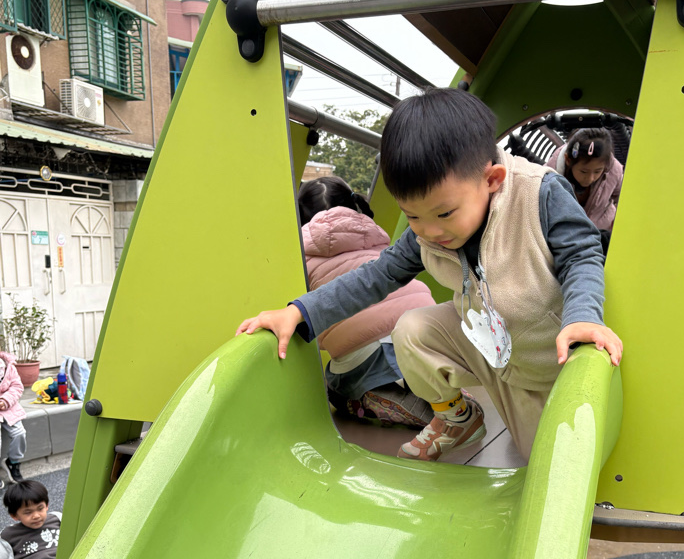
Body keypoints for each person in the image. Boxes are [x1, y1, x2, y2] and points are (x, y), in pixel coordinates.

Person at [237, 89, 622, 463]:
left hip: (547, 362)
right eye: (413, 215)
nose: (429, 231)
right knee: (412, 330)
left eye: (444, 214)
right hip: (494, 350)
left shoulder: (539, 194)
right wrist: (299, 312)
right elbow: (375, 276)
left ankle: (537, 416)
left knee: (548, 457)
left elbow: (582, 255)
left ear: (492, 179)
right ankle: (457, 418)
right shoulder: (428, 230)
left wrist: (583, 317)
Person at [298, 175, 435, 427]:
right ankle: (438, 395)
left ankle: (375, 394)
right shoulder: (375, 235)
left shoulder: (302, 252)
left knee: (335, 384)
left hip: (370, 352)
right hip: (428, 335)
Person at [546, 128, 623, 252]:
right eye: (584, 171)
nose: (590, 178)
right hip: (565, 242)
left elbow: (621, 197)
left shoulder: (615, 171)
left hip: (601, 239)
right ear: (568, 160)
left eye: (597, 171)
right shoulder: (548, 177)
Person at [0, 480, 60, 559]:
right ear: (14, 515)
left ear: (47, 506)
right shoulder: (8, 535)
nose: (36, 516)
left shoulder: (57, 520)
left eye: (40, 508)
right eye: (28, 512)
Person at [0, 350, 27, 483]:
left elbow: (17, 386)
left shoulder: (7, 365)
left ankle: (13, 462)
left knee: (19, 433)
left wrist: (5, 401)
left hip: (7, 406)